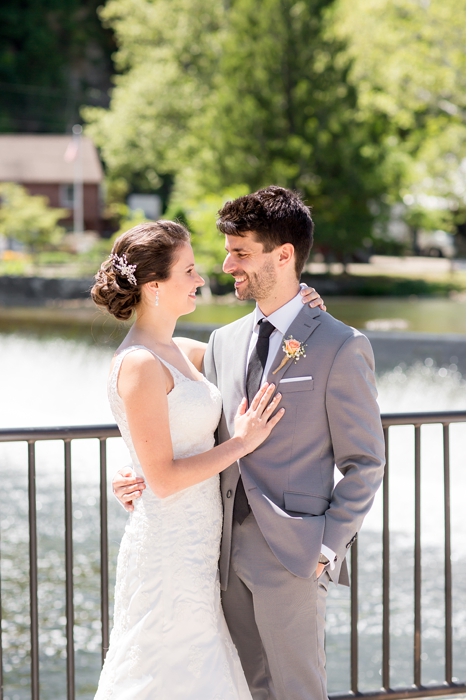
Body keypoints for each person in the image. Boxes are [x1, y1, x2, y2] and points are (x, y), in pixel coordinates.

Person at [113, 185, 384, 700]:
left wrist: (326, 549)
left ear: (283, 256)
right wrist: (139, 474)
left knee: (299, 690)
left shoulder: (341, 345)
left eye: (241, 253)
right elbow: (172, 406)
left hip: (295, 557)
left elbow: (366, 462)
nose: (226, 265)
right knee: (247, 690)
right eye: (227, 251)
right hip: (215, 555)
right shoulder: (221, 342)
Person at [91, 219, 287, 699]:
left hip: (200, 549)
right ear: (155, 287)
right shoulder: (139, 362)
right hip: (168, 548)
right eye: (190, 270)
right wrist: (240, 443)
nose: (202, 279)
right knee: (164, 668)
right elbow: (161, 478)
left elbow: (251, 346)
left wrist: (303, 306)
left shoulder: (178, 350)